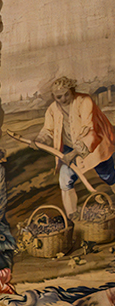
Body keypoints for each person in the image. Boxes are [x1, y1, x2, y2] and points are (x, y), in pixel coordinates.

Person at [37, 75, 115, 217]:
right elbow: (48, 129)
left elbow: (90, 129)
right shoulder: (52, 109)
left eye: (66, 94)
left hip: (95, 144)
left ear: (72, 90)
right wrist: (39, 140)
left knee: (108, 175)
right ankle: (72, 216)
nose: (63, 99)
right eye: (59, 97)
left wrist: (73, 154)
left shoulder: (84, 101)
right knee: (65, 179)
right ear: (54, 96)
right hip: (70, 148)